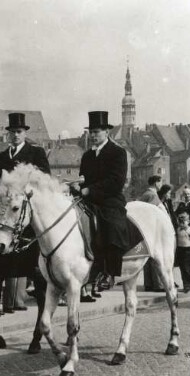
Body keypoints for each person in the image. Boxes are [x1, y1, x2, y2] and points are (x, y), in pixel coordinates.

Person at [0, 113, 50, 313]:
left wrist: (28, 186)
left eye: (18, 132)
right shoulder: (2, 157)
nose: (15, 136)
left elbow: (45, 177)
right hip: (8, 207)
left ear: (25, 133)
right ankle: (7, 298)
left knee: (33, 241)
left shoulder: (35, 152)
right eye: (12, 133)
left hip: (27, 205)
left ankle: (37, 278)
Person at [76, 111, 129, 291]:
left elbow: (116, 181)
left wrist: (90, 189)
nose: (92, 135)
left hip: (110, 200)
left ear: (107, 132)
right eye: (91, 132)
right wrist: (76, 185)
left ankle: (109, 272)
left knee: (112, 225)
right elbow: (83, 178)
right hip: (87, 200)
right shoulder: (87, 156)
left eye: (96, 132)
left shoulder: (118, 153)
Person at [139, 175, 165, 292]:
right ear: (156, 183)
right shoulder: (153, 195)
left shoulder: (145, 194)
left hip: (145, 229)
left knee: (148, 257)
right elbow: (155, 212)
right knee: (156, 256)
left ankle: (148, 283)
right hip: (152, 228)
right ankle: (158, 285)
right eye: (160, 182)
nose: (161, 185)